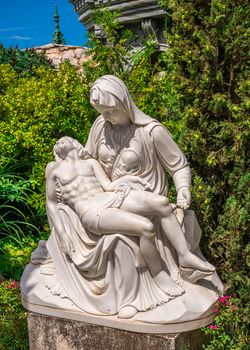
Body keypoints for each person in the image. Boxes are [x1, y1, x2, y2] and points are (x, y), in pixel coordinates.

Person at [47, 136, 214, 300]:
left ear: (74, 144)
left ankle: (185, 256)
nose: (58, 142)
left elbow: (108, 186)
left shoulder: (90, 163)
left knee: (162, 203)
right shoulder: (54, 170)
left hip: (109, 198)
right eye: (57, 142)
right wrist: (62, 235)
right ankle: (158, 274)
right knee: (146, 227)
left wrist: (128, 180)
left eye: (63, 139)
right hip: (92, 210)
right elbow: (52, 204)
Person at [86, 75, 212, 285]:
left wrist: (182, 188)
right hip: (109, 198)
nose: (106, 117)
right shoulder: (100, 126)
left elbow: (178, 166)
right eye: (101, 113)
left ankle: (182, 258)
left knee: (160, 205)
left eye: (109, 111)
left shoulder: (152, 131)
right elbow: (88, 158)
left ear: (123, 102)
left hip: (142, 197)